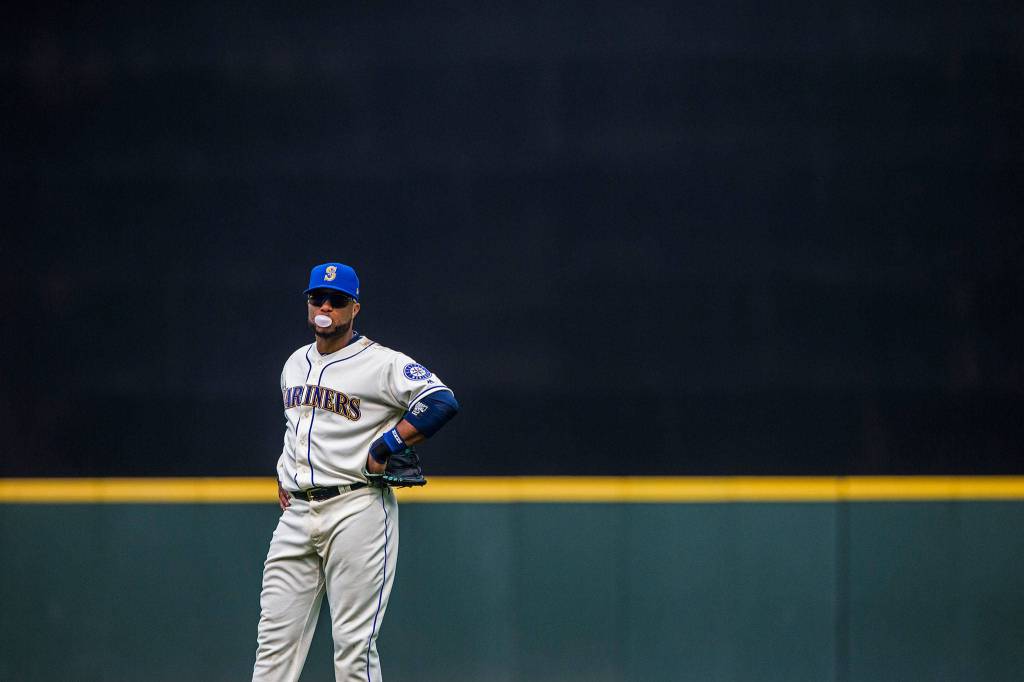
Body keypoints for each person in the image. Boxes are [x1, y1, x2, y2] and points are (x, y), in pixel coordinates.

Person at [252, 262, 459, 682]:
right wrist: (286, 470)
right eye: (318, 298)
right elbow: (299, 425)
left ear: (354, 308)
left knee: (353, 648)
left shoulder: (381, 363)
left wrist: (388, 444)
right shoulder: (294, 363)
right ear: (309, 304)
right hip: (297, 514)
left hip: (357, 507)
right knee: (272, 649)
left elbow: (440, 401)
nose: (325, 305)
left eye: (337, 300)